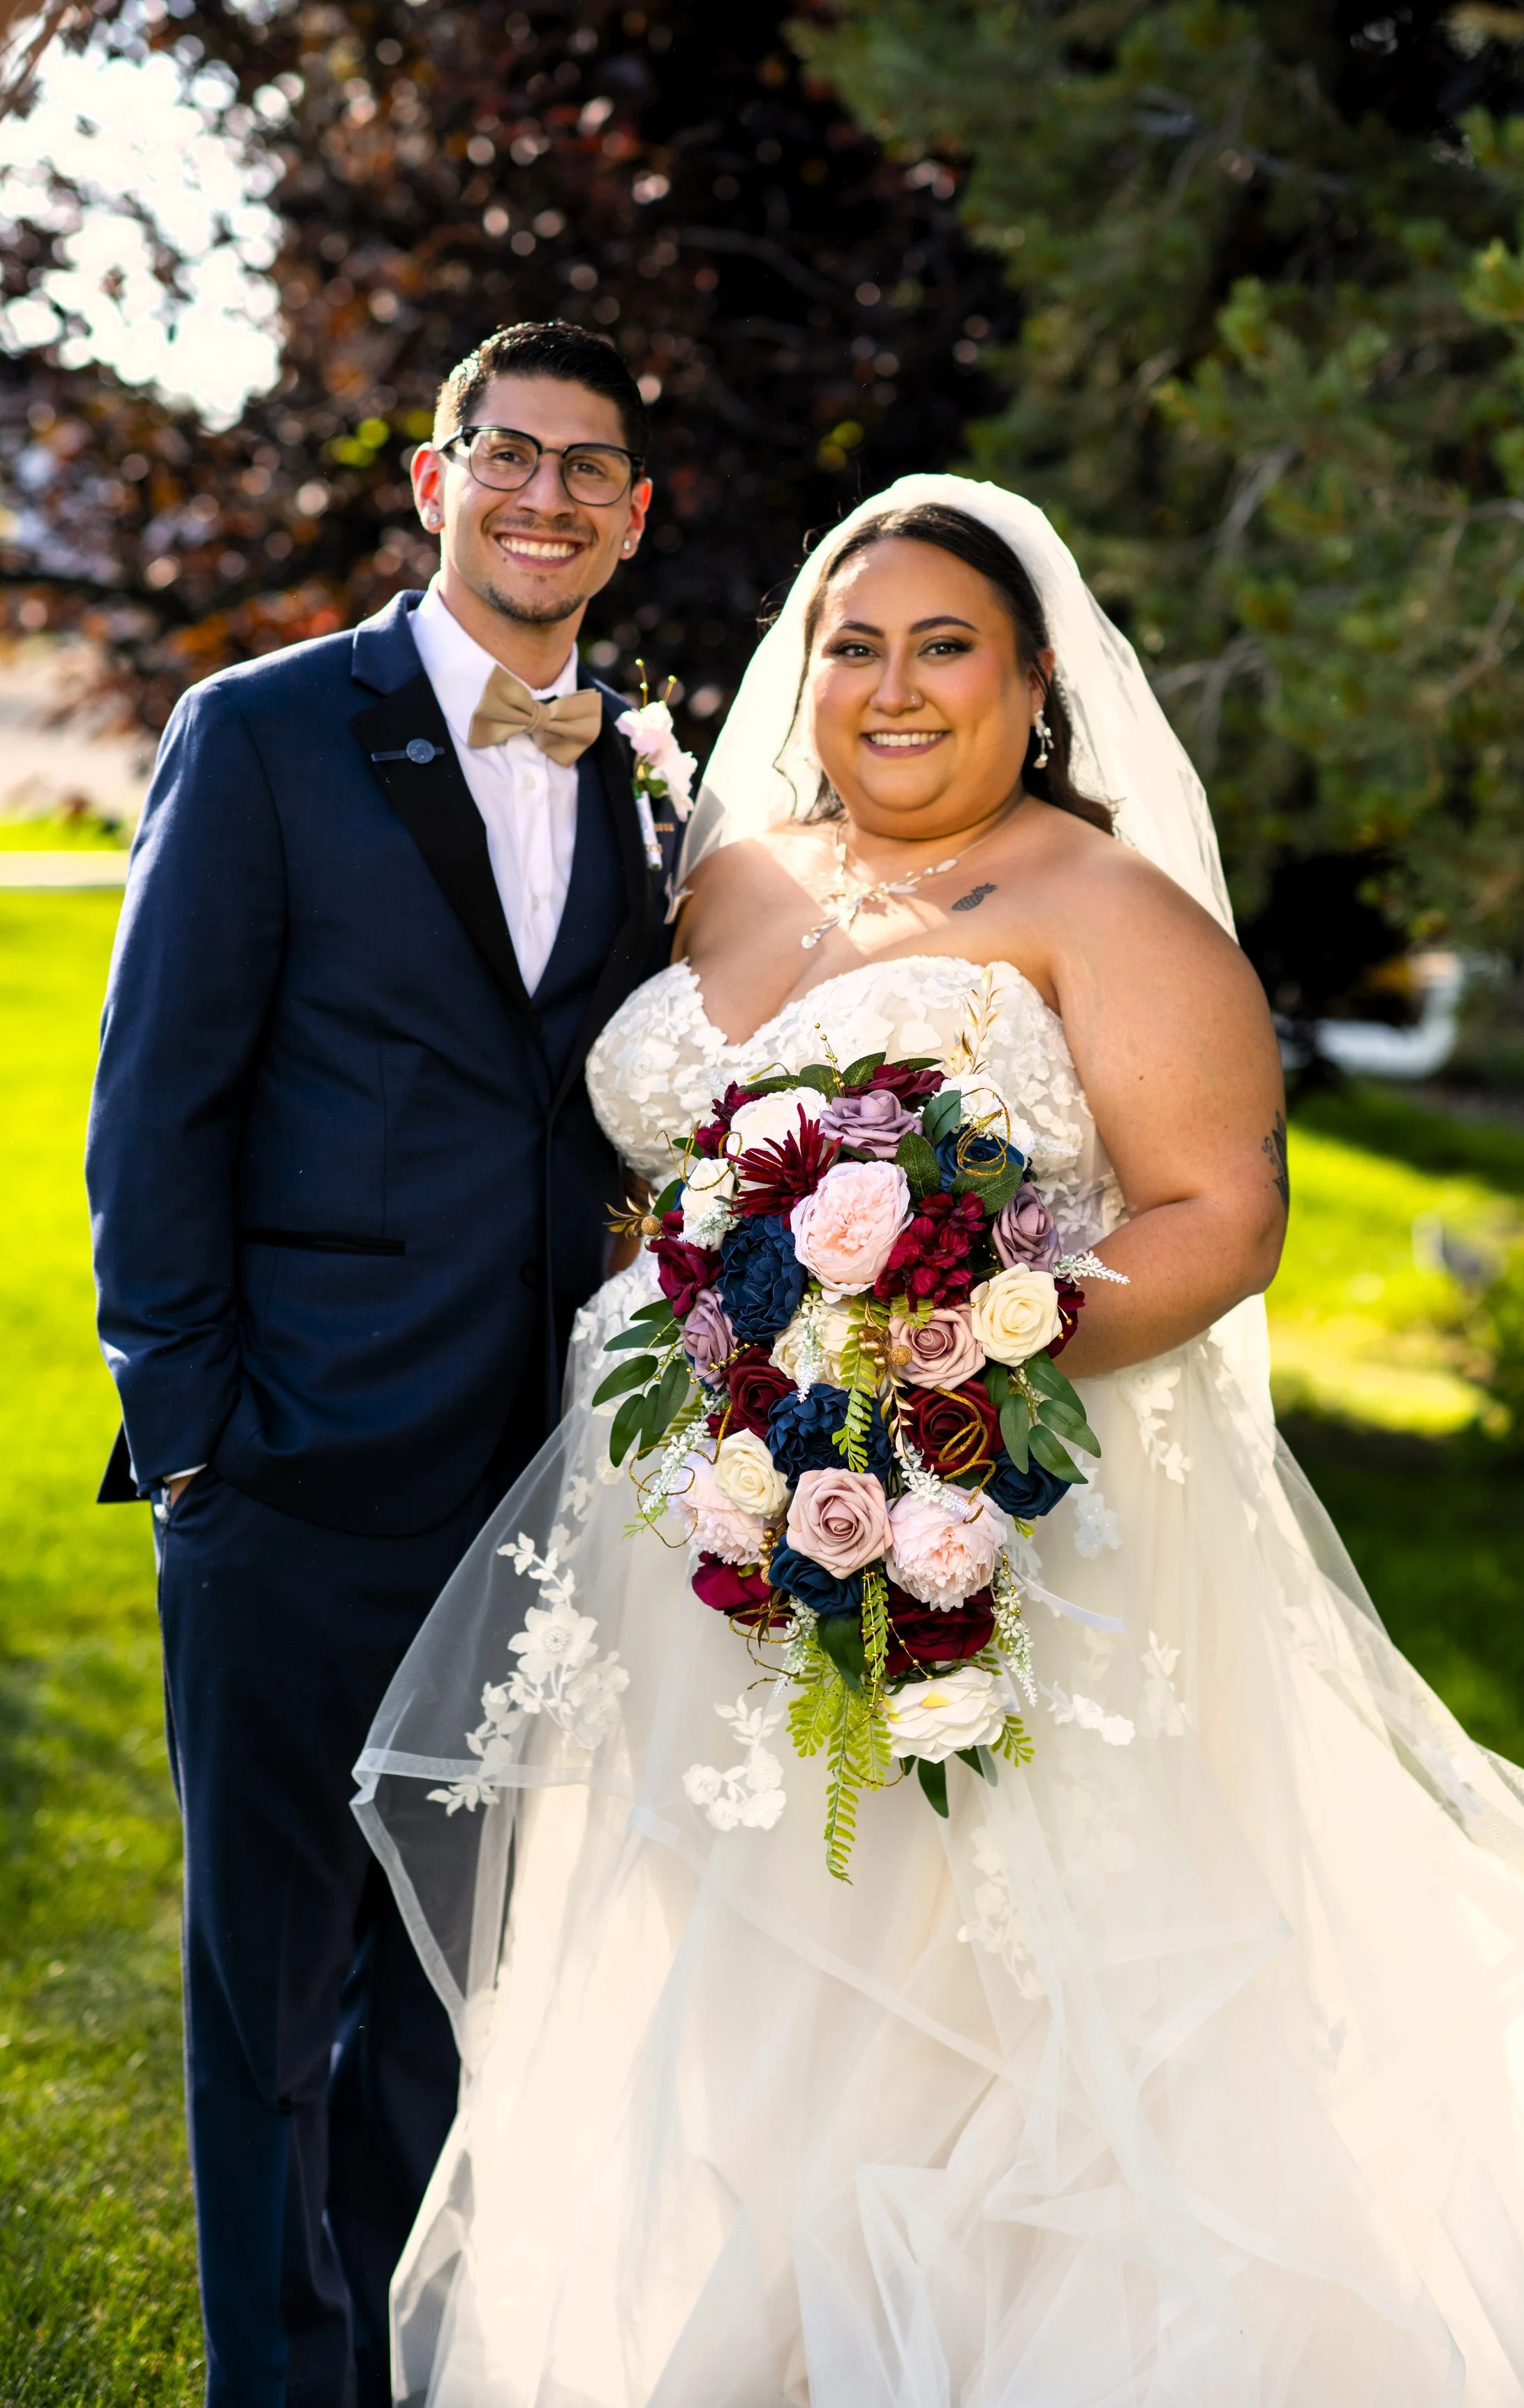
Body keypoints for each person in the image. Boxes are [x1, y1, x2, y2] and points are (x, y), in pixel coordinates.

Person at [356, 475, 1524, 2406]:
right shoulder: (726, 872)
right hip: (684, 1545)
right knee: (718, 1970)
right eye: (856, 644)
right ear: (804, 671)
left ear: (1034, 690)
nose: (892, 687)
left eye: (946, 649)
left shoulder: (1106, 908)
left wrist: (937, 1353)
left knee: (948, 2002)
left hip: (964, 1536)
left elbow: (1216, 1219)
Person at [87, 321, 683, 2408]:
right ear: (433, 482)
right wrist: (193, 1441)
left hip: (542, 1486)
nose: (545, 499)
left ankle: (410, 2368)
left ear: (634, 509)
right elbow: (156, 1102)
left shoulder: (644, 773)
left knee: (450, 1993)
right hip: (291, 1469)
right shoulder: (257, 737)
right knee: (273, 1998)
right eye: (504, 457)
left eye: (586, 468)